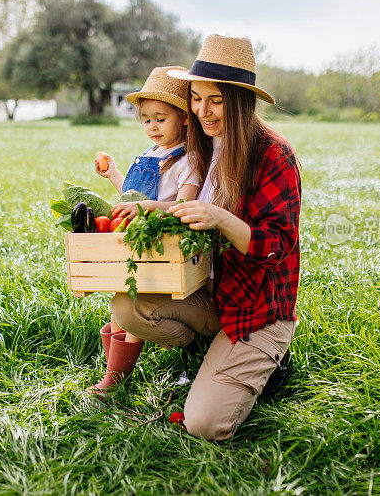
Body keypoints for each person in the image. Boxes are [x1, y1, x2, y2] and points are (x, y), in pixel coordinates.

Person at [109, 35, 301, 440]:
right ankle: (204, 352)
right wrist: (149, 208)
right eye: (196, 98)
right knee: (129, 305)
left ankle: (270, 358)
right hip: (212, 291)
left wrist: (219, 217)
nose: (203, 111)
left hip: (257, 308)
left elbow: (276, 246)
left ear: (239, 99)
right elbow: (178, 204)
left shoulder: (272, 153)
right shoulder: (202, 144)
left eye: (215, 100)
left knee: (203, 424)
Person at [88, 66, 201, 396]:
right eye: (146, 118)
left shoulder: (187, 161)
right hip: (137, 241)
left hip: (162, 247)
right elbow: (132, 200)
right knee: (119, 303)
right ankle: (114, 376)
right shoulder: (148, 155)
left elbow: (184, 208)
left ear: (183, 118)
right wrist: (113, 174)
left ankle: (113, 381)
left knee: (131, 304)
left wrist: (149, 209)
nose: (152, 126)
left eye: (161, 118)